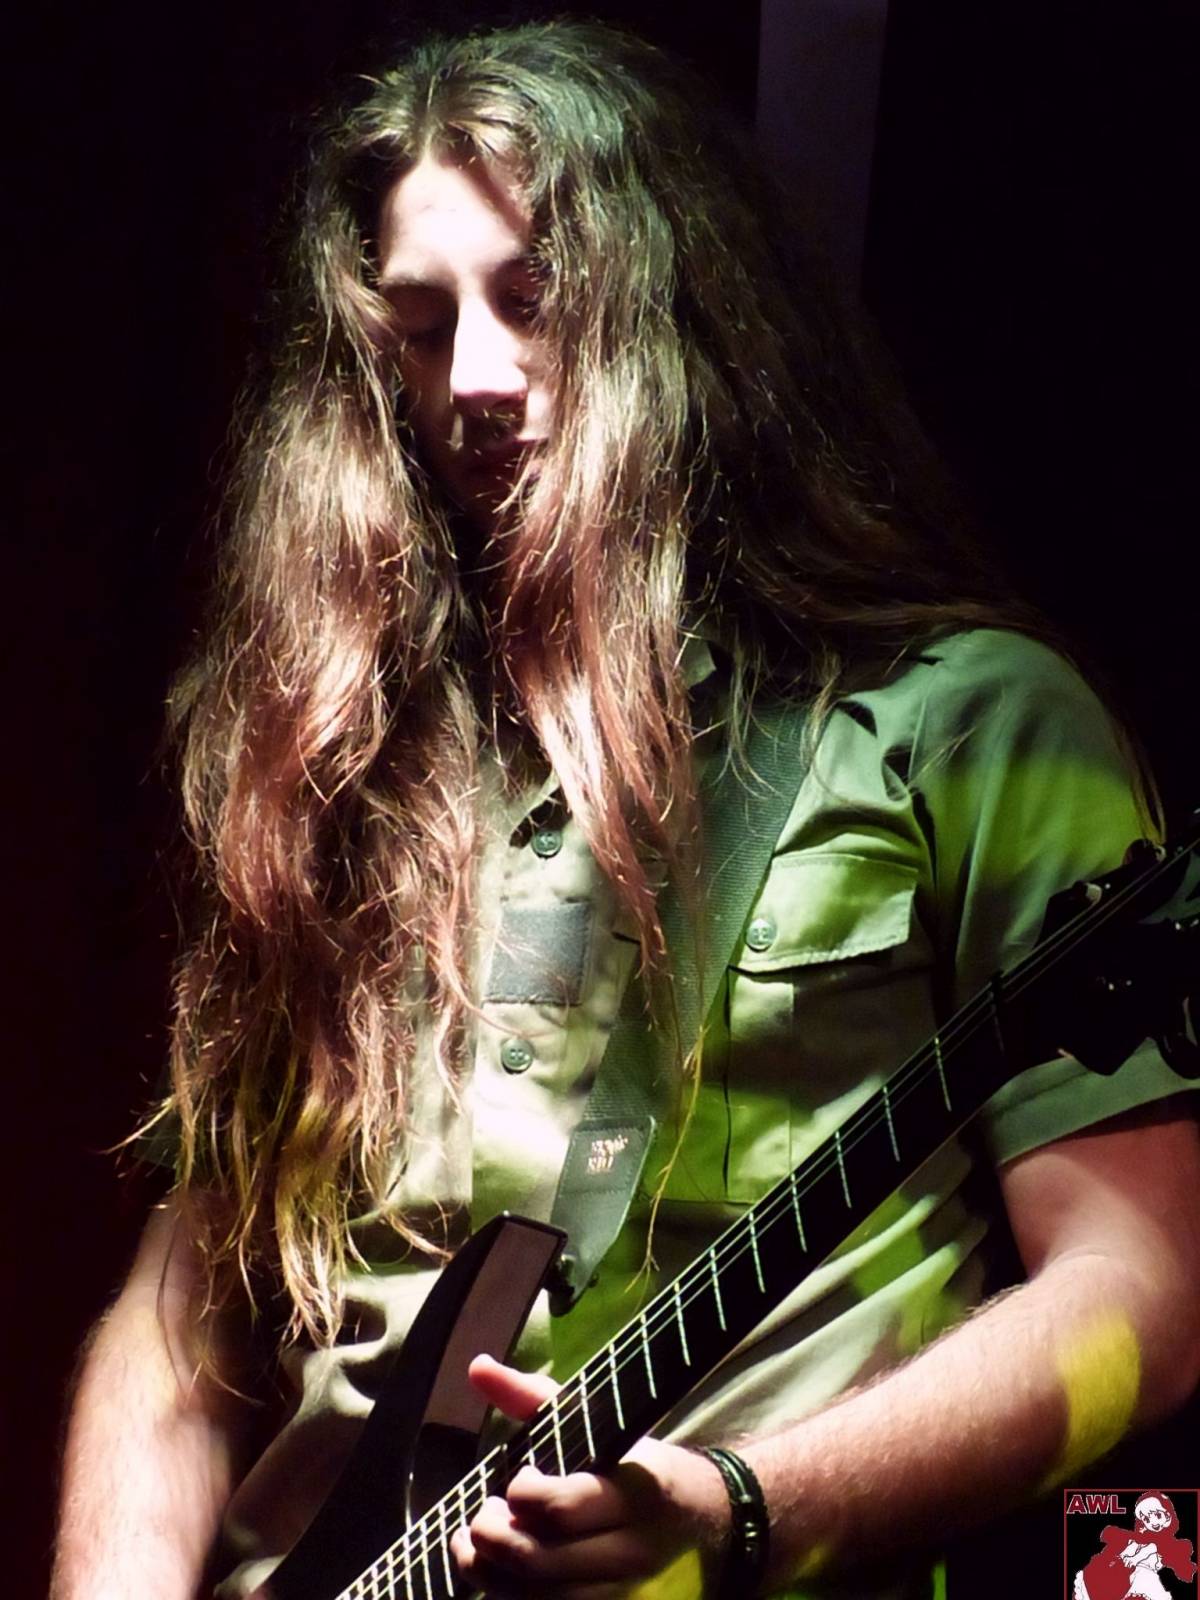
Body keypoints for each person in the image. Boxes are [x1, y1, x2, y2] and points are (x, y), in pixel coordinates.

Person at [51, 19, 1200, 1600]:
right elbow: (178, 1327)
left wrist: (747, 1502)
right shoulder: (341, 769)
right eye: (419, 324)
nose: (473, 378)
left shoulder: (972, 728)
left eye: (532, 300)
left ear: (681, 306)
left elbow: (1142, 1295)